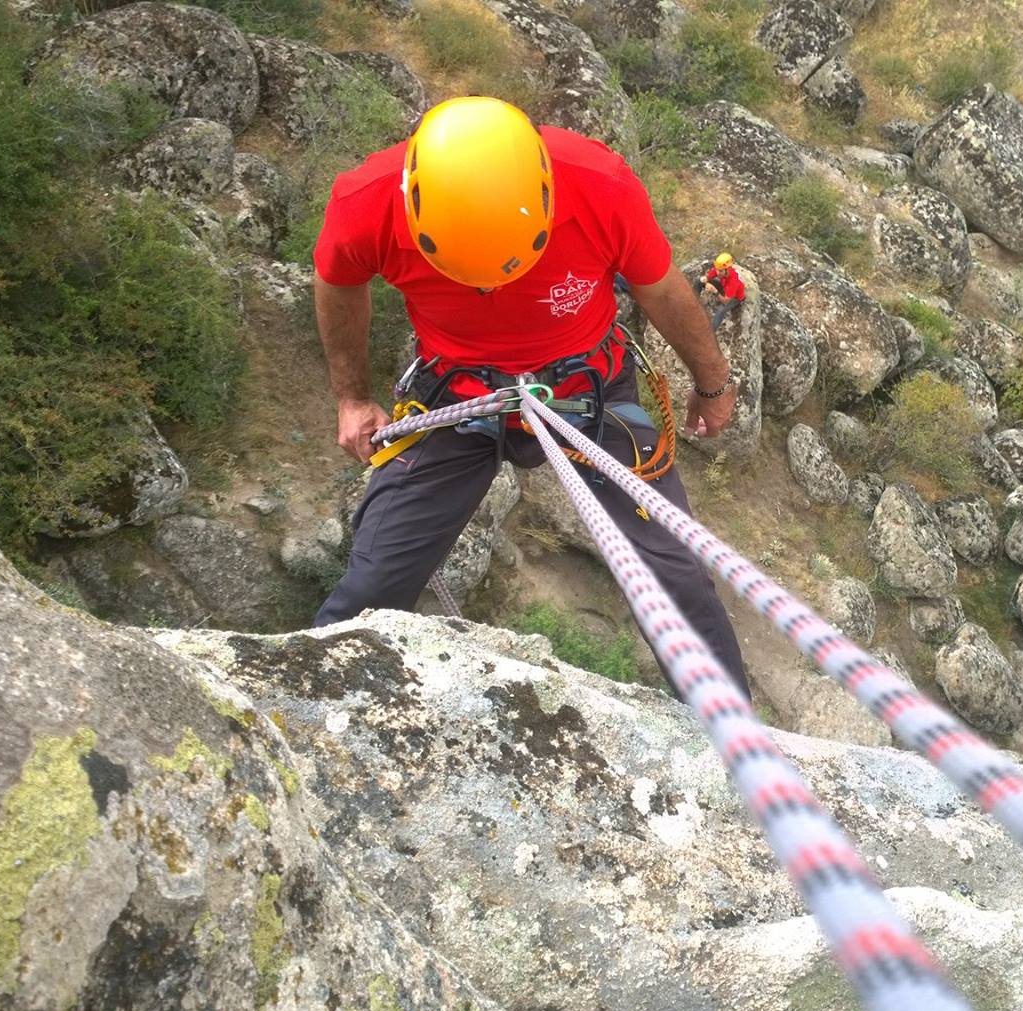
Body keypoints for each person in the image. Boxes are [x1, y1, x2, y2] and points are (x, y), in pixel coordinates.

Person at [310, 96, 749, 694]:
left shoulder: (598, 185)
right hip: (457, 393)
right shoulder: (366, 202)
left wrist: (714, 383)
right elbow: (338, 283)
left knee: (675, 579)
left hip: (587, 386)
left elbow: (663, 291)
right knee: (372, 585)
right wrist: (352, 397)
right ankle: (318, 702)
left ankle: (731, 726)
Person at [699, 252, 746, 331]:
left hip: (735, 298)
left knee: (720, 311)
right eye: (717, 270)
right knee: (699, 281)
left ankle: (710, 332)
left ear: (728, 270)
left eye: (720, 271)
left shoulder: (734, 281)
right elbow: (711, 274)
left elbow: (725, 301)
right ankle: (692, 301)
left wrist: (714, 291)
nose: (718, 273)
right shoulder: (721, 269)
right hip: (724, 287)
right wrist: (705, 278)